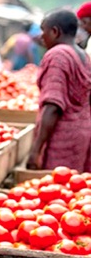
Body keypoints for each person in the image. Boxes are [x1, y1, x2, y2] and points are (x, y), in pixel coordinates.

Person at [27, 10, 91, 172]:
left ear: (55, 32)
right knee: (76, 189)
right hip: (83, 132)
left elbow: (53, 105)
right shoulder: (83, 56)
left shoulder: (57, 56)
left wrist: (36, 150)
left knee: (58, 185)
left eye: (44, 31)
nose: (42, 37)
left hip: (62, 138)